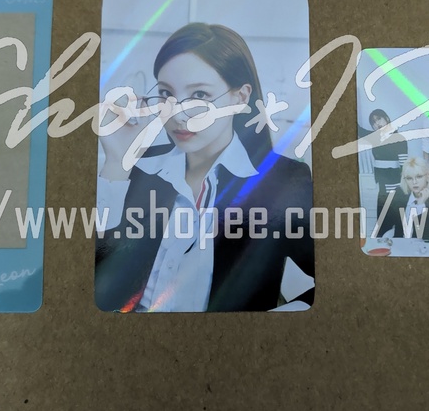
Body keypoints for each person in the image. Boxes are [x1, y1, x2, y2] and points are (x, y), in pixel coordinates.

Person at [94, 22, 314, 312]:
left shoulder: (284, 182)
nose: (178, 114)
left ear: (240, 97)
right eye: (166, 94)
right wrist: (117, 163)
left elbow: (335, 279)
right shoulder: (138, 167)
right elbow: (99, 288)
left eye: (199, 95)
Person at [361, 108, 408, 234]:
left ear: (386, 118)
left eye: (379, 119)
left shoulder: (399, 138)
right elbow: (359, 130)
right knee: (382, 225)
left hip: (396, 185)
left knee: (398, 225)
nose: (377, 123)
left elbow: (404, 166)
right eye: (373, 122)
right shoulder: (374, 138)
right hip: (382, 186)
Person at [387, 157, 429, 240]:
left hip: (426, 246)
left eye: (419, 177)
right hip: (400, 244)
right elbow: (387, 226)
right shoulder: (398, 194)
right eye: (409, 178)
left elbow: (426, 236)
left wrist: (420, 206)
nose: (414, 182)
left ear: (427, 176)